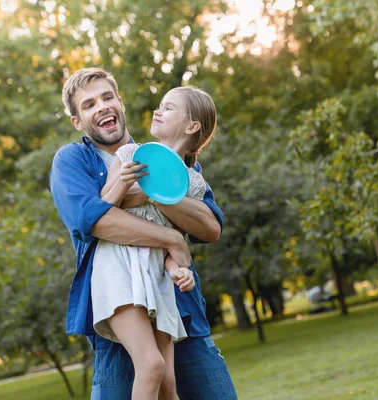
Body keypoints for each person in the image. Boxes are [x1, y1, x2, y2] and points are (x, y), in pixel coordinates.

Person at [49, 67, 237, 399]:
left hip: (178, 308)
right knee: (149, 372)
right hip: (119, 310)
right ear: (78, 121)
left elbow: (210, 226)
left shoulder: (167, 161)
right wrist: (172, 238)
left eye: (108, 97)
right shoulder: (73, 160)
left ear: (120, 103)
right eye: (89, 104)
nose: (102, 106)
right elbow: (92, 221)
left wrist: (152, 190)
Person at [90, 86, 217, 399]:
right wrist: (124, 183)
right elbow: (101, 210)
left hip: (157, 275)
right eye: (160, 106)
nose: (158, 111)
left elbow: (175, 241)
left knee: (168, 382)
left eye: (168, 107)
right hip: (120, 266)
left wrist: (179, 270)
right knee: (151, 366)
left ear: (192, 126)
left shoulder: (192, 183)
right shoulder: (131, 155)